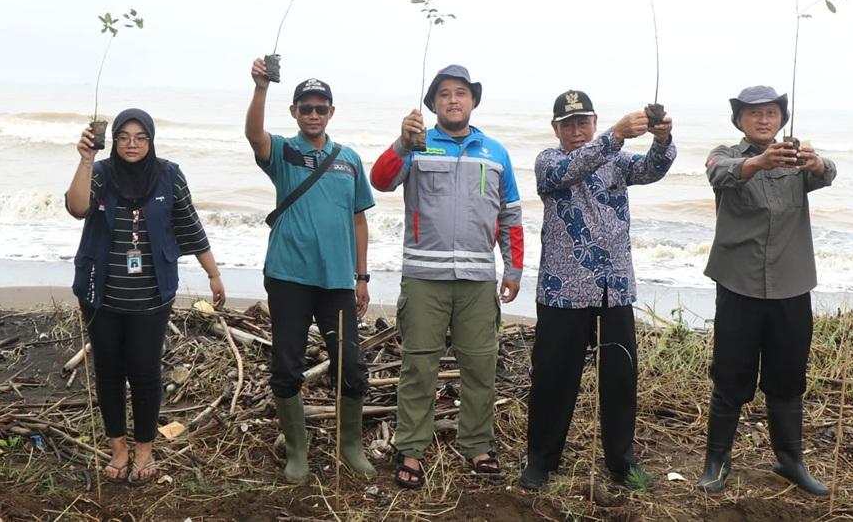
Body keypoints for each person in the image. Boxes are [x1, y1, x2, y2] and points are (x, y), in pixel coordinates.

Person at [370, 64, 523, 488]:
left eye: (461, 93)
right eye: (444, 94)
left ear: (473, 100)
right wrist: (402, 143)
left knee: (480, 366)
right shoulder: (416, 145)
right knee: (419, 367)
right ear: (433, 104)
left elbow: (510, 213)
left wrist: (513, 268)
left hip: (478, 280)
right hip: (424, 278)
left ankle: (477, 443)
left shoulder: (495, 152)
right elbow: (380, 181)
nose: (453, 100)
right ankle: (411, 448)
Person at [519, 90, 675, 491]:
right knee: (554, 379)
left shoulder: (618, 162)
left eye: (583, 122)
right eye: (568, 124)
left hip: (615, 288)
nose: (576, 130)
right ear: (555, 128)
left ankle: (622, 463)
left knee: (620, 381)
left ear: (593, 122)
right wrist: (616, 134)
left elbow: (654, 170)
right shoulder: (548, 162)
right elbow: (572, 168)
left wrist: (661, 139)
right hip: (562, 290)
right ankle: (541, 460)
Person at [66, 108, 224, 484]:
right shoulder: (100, 174)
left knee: (145, 373)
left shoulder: (169, 175)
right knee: (108, 372)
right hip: (100, 295)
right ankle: (118, 448)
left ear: (151, 141)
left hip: (152, 297)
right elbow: (77, 207)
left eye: (140, 137)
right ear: (114, 139)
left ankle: (144, 450)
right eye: (123, 137)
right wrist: (86, 160)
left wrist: (213, 273)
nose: (131, 144)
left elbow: (190, 223)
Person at [697, 85, 836, 496]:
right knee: (730, 376)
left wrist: (815, 161)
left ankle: (790, 461)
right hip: (738, 285)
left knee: (788, 378)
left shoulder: (794, 160)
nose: (763, 119)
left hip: (792, 286)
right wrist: (758, 162)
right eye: (754, 113)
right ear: (739, 120)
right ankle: (716, 461)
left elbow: (828, 173)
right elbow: (718, 173)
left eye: (772, 112)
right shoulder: (726, 154)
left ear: (781, 119)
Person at [245, 60, 376, 483]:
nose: (314, 114)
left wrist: (362, 277)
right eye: (307, 108)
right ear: (295, 112)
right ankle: (297, 454)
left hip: (337, 282)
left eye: (321, 108)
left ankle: (349, 446)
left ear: (331, 113)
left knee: (351, 366)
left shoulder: (349, 159)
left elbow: (359, 220)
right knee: (286, 366)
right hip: (288, 277)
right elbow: (253, 135)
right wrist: (261, 88)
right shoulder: (284, 151)